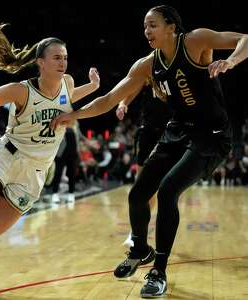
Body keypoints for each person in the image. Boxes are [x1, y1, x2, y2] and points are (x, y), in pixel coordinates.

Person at [50, 5, 248, 297]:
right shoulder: (146, 64)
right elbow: (107, 99)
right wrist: (74, 115)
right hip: (178, 130)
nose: (147, 31)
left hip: (212, 136)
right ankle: (140, 251)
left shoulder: (195, 41)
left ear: (171, 27)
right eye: (145, 26)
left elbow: (244, 38)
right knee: (138, 194)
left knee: (168, 191)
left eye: (153, 25)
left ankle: (159, 271)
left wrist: (230, 61)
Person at [0, 23, 100, 258]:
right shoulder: (20, 91)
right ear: (40, 62)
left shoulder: (67, 83)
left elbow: (68, 97)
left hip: (34, 174)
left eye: (65, 58)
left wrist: (92, 86)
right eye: (57, 58)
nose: (63, 63)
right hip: (6, 157)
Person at [116, 84, 172, 247]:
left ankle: (155, 233)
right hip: (148, 131)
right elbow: (132, 86)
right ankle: (136, 232)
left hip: (170, 132)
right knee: (141, 186)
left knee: (165, 188)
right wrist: (123, 103)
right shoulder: (149, 66)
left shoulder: (179, 67)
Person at [51, 123, 79, 203]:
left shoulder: (76, 122)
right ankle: (55, 193)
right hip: (61, 148)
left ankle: (71, 193)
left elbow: (78, 137)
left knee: (72, 173)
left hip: (73, 149)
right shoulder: (60, 117)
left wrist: (78, 150)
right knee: (58, 173)